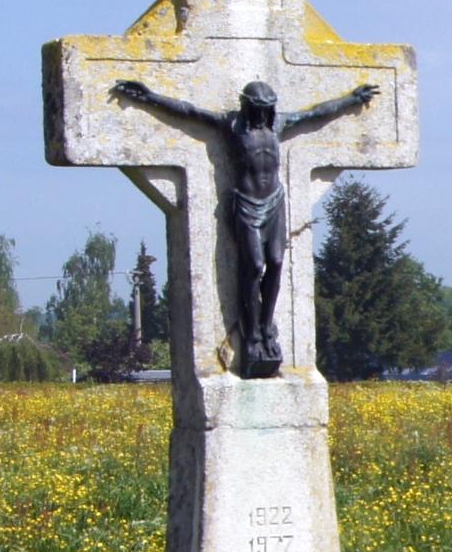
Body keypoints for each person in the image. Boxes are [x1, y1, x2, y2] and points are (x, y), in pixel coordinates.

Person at [111, 79, 380, 378]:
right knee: (253, 265)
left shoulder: (278, 125)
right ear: (246, 106)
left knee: (276, 263)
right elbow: (189, 112)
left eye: (268, 109)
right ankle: (250, 333)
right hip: (246, 205)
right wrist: (149, 97)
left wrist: (351, 99)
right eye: (259, 109)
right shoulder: (232, 126)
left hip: (274, 202)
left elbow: (316, 113)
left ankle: (266, 327)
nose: (264, 114)